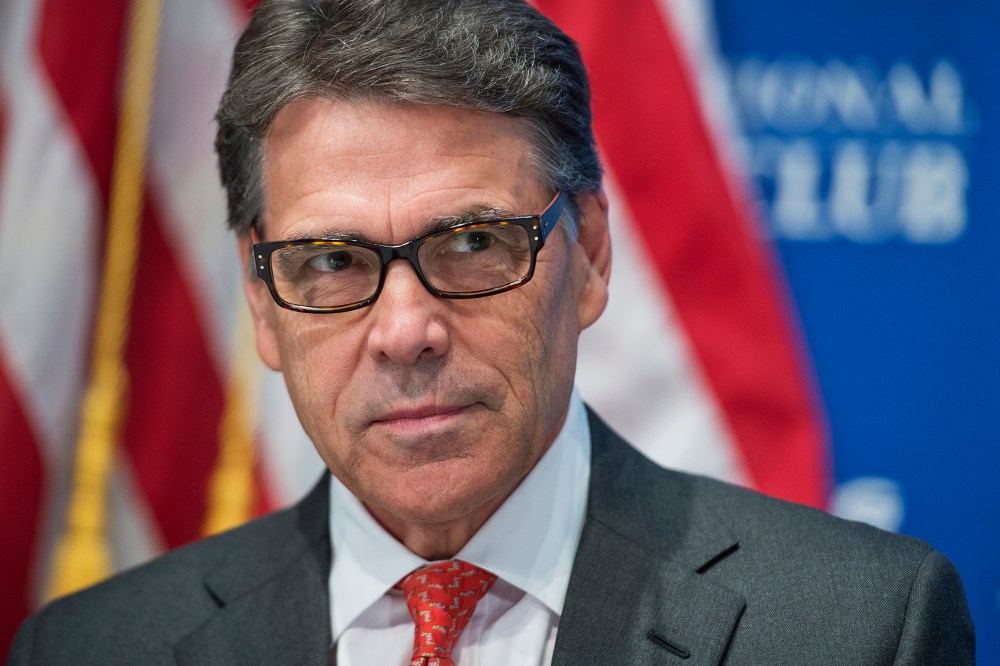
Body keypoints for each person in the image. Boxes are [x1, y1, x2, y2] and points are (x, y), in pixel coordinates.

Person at [9, 0, 975, 664]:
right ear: (262, 302)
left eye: (471, 242)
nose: (405, 331)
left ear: (590, 254)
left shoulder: (852, 630)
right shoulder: (100, 646)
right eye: (333, 261)